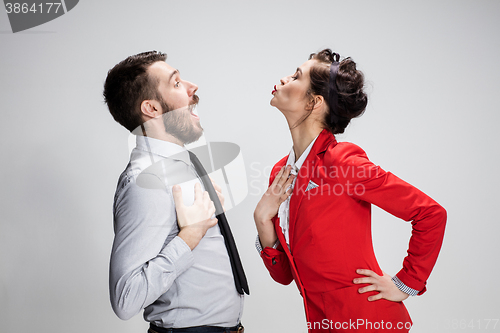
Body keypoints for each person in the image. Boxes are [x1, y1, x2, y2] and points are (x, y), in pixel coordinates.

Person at [254, 49, 447, 332]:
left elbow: (430, 214)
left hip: (368, 322)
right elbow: (284, 275)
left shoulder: (341, 161)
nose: (284, 79)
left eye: (296, 76)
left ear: (314, 102)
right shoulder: (280, 174)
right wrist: (261, 219)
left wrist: (406, 283)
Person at [104, 51, 246, 333]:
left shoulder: (180, 166)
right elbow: (125, 299)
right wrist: (189, 237)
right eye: (177, 83)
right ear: (152, 109)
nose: (193, 88)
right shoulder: (146, 182)